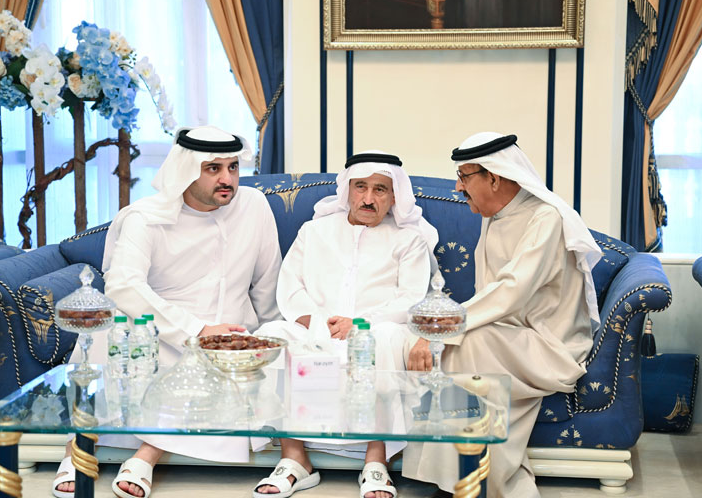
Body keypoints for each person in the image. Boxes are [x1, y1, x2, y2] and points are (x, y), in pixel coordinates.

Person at [52, 126, 282, 498]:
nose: (227, 179)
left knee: (220, 355)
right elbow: (123, 285)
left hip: (230, 331)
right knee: (108, 333)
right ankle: (78, 448)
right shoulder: (145, 217)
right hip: (158, 324)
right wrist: (196, 329)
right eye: (213, 169)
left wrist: (273, 334)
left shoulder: (254, 205)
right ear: (186, 169)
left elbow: (268, 281)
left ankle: (146, 456)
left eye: (233, 167)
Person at [402, 132, 601, 498]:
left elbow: (511, 290)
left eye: (464, 177)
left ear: (493, 177)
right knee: (448, 344)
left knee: (462, 344)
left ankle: (475, 482)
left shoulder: (545, 218)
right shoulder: (494, 215)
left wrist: (441, 327)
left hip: (549, 347)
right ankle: (460, 479)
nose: (458, 187)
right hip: (510, 338)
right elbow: (493, 297)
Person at [253, 152, 439, 498]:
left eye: (380, 189)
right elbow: (290, 289)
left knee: (383, 338)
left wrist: (360, 324)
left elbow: (411, 299)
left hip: (377, 329)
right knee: (272, 335)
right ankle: (294, 458)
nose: (368, 199)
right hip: (316, 328)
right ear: (347, 191)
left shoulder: (409, 239)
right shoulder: (314, 232)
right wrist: (320, 325)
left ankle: (376, 460)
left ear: (394, 196)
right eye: (360, 187)